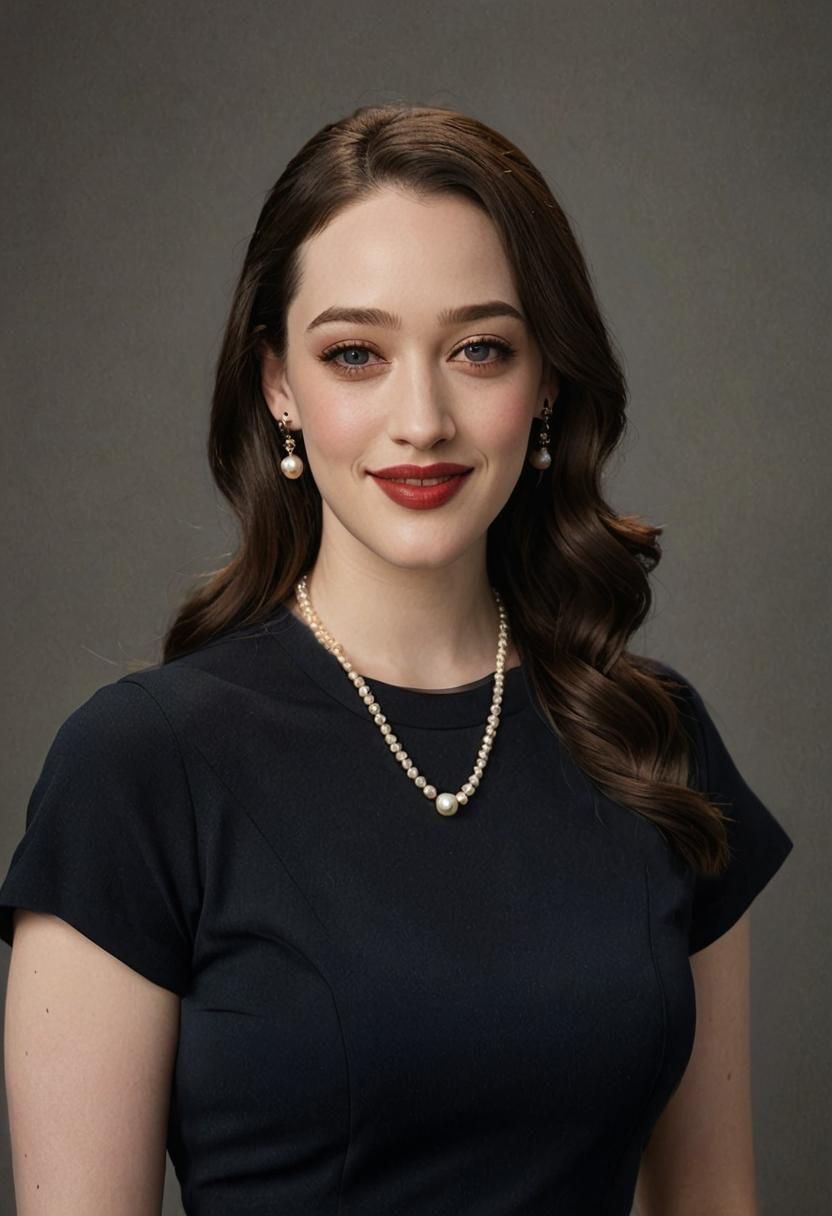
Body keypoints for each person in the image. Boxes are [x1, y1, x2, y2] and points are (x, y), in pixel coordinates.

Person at [0, 102, 793, 1215]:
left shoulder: (652, 741)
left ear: (548, 382)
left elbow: (714, 1200)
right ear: (278, 382)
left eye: (480, 349)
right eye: (355, 354)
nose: (421, 418)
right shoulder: (138, 768)